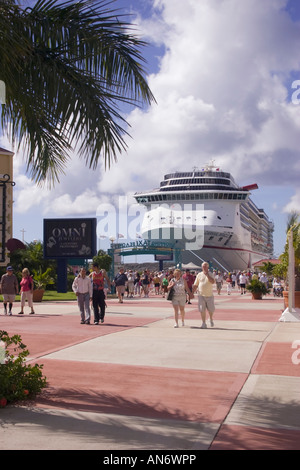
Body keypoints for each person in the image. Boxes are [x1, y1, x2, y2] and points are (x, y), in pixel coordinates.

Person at [192, 261, 215, 328]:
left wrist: (207, 275)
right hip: (201, 295)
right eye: (203, 266)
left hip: (209, 295)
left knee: (211, 310)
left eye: (205, 266)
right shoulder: (199, 274)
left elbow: (213, 282)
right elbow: (196, 284)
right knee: (202, 309)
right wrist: (192, 293)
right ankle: (203, 323)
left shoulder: (211, 274)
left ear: (208, 267)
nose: (204, 267)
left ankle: (210, 318)